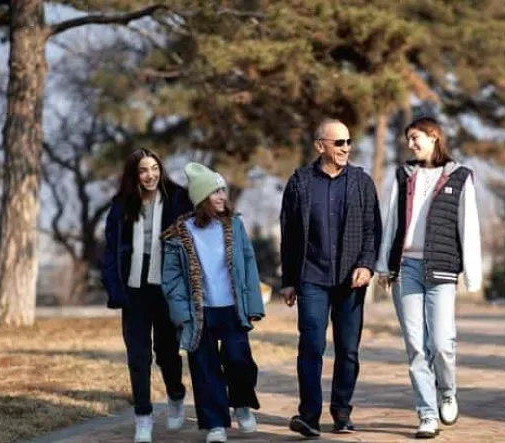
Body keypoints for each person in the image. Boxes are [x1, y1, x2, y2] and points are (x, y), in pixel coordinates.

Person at [375, 116, 482, 439]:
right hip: (406, 267)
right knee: (416, 347)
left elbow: (469, 227)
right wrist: (384, 265)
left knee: (441, 342)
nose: (410, 144)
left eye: (415, 137)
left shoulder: (460, 176)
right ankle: (426, 413)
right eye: (408, 139)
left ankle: (447, 391)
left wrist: (473, 277)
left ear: (434, 137)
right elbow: (392, 221)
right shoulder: (404, 175)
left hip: (442, 269)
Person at [279, 118, 382, 437]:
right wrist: (289, 279)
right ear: (320, 145)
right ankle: (308, 415)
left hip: (352, 280)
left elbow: (372, 229)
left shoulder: (362, 182)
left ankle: (342, 411)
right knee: (311, 345)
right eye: (339, 142)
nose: (346, 148)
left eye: (348, 142)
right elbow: (289, 234)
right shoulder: (299, 182)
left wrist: (366, 265)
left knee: (348, 349)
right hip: (312, 277)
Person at [161, 162, 265, 443]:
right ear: (201, 197)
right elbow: (171, 279)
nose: (222, 196)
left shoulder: (234, 225)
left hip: (232, 309)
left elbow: (248, 263)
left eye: (222, 191)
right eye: (215, 192)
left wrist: (253, 305)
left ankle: (241, 403)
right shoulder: (179, 233)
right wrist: (182, 314)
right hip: (199, 313)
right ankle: (215, 424)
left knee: (239, 360)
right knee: (204, 369)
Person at [100, 148, 191, 443]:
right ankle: (143, 417)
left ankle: (176, 394)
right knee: (138, 356)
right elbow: (111, 251)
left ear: (160, 170)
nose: (150, 175)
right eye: (143, 170)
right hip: (134, 289)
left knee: (167, 352)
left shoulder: (177, 199)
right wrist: (114, 288)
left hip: (166, 287)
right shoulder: (121, 206)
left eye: (154, 168)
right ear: (134, 175)